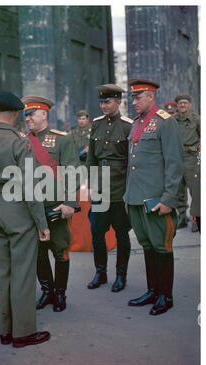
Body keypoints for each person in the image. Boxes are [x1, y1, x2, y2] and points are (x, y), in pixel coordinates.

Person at [0, 91, 51, 348]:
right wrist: (41, 223)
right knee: (22, 273)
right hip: (18, 210)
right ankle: (23, 333)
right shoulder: (19, 141)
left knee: (1, 273)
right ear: (15, 114)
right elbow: (29, 185)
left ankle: (5, 330)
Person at [124, 78, 184, 316]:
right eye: (133, 98)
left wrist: (169, 199)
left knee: (162, 246)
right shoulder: (137, 123)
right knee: (147, 245)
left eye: (138, 97)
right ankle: (152, 290)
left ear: (150, 96)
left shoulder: (165, 122)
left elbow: (174, 162)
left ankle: (165, 296)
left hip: (156, 198)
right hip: (136, 198)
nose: (134, 102)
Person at [22, 95, 81, 312]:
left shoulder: (62, 139)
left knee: (60, 251)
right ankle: (46, 291)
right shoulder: (23, 140)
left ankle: (60, 293)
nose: (27, 118)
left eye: (31, 114)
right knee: (38, 252)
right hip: (32, 209)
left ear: (43, 114)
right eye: (25, 115)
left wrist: (69, 203)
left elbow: (73, 172)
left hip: (56, 206)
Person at [86, 84, 132, 292]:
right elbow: (92, 158)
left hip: (120, 189)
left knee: (122, 234)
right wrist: (90, 184)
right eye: (101, 102)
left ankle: (121, 275)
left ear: (119, 102)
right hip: (100, 190)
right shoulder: (95, 124)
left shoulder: (127, 126)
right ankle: (100, 272)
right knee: (97, 233)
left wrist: (130, 192)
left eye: (108, 102)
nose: (103, 106)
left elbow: (132, 162)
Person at [174, 94, 200, 232]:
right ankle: (182, 217)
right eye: (180, 103)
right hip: (177, 158)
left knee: (196, 190)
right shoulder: (172, 121)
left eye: (185, 103)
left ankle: (197, 219)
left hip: (192, 159)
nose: (182, 105)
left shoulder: (197, 120)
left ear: (189, 104)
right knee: (179, 190)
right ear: (177, 105)